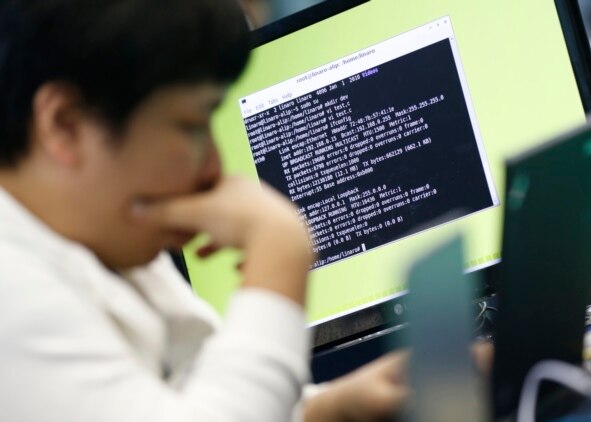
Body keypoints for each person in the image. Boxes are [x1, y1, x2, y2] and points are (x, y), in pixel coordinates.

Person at [0, 0, 408, 421]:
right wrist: (279, 249)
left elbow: (195, 401)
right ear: (65, 124)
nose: (214, 168)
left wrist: (333, 408)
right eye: (191, 126)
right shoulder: (11, 295)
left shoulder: (103, 241)